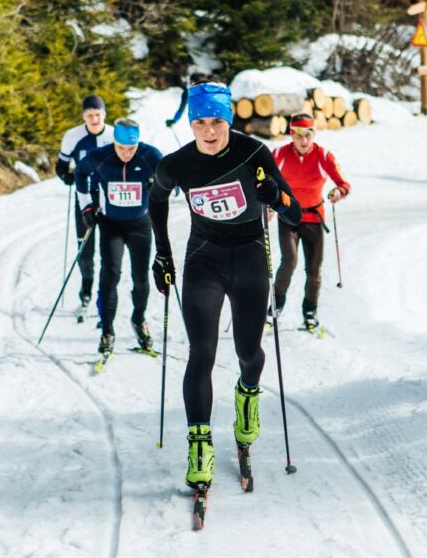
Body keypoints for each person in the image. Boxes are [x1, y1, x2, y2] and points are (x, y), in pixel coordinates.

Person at [149, 81, 301, 491]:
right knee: (202, 351)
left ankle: (247, 396)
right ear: (191, 124)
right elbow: (156, 199)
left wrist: (275, 197)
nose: (209, 131)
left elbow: (295, 214)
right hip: (204, 260)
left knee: (249, 353)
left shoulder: (253, 153)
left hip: (250, 258)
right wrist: (162, 254)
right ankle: (200, 447)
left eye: (217, 121)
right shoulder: (177, 164)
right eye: (199, 122)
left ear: (228, 120)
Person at [76, 118, 163, 356]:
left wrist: (160, 187)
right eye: (121, 148)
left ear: (138, 144)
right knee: (110, 274)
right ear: (114, 142)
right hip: (111, 225)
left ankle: (139, 320)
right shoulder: (101, 156)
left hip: (140, 225)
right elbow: (81, 175)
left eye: (131, 149)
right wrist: (86, 208)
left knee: (140, 277)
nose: (126, 154)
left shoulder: (150, 155)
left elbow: (173, 182)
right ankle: (107, 330)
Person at [271, 113, 351, 330]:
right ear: (291, 135)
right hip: (287, 216)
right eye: (298, 136)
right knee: (289, 261)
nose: (303, 141)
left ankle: (310, 312)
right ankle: (275, 307)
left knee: (313, 269)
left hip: (313, 218)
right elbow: (262, 179)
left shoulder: (324, 156)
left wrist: (337, 192)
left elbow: (343, 184)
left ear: (314, 134)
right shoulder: (279, 153)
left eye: (308, 135)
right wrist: (268, 203)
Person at [55, 95, 114, 312]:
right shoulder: (72, 136)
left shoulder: (114, 135)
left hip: (109, 198)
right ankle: (86, 288)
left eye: (97, 114)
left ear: (104, 115)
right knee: (85, 250)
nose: (94, 119)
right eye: (90, 115)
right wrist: (67, 176)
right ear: (84, 117)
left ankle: (105, 291)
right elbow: (61, 166)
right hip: (84, 197)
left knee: (109, 248)